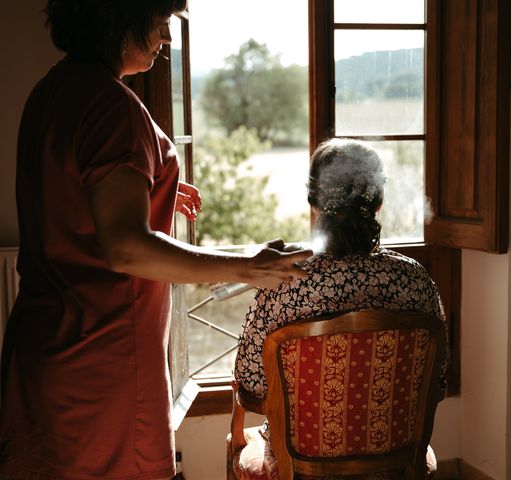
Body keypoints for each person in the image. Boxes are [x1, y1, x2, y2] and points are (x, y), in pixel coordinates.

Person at [0, 1, 311, 479]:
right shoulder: (110, 107)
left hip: (42, 351)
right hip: (103, 363)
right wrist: (246, 266)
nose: (166, 38)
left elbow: (68, 194)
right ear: (119, 20)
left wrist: (152, 186)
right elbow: (125, 247)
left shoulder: (51, 93)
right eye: (160, 23)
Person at [234, 138, 449, 426]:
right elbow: (438, 375)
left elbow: (251, 383)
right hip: (396, 454)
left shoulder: (284, 282)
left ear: (313, 202)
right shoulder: (416, 279)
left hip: (300, 460)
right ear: (379, 203)